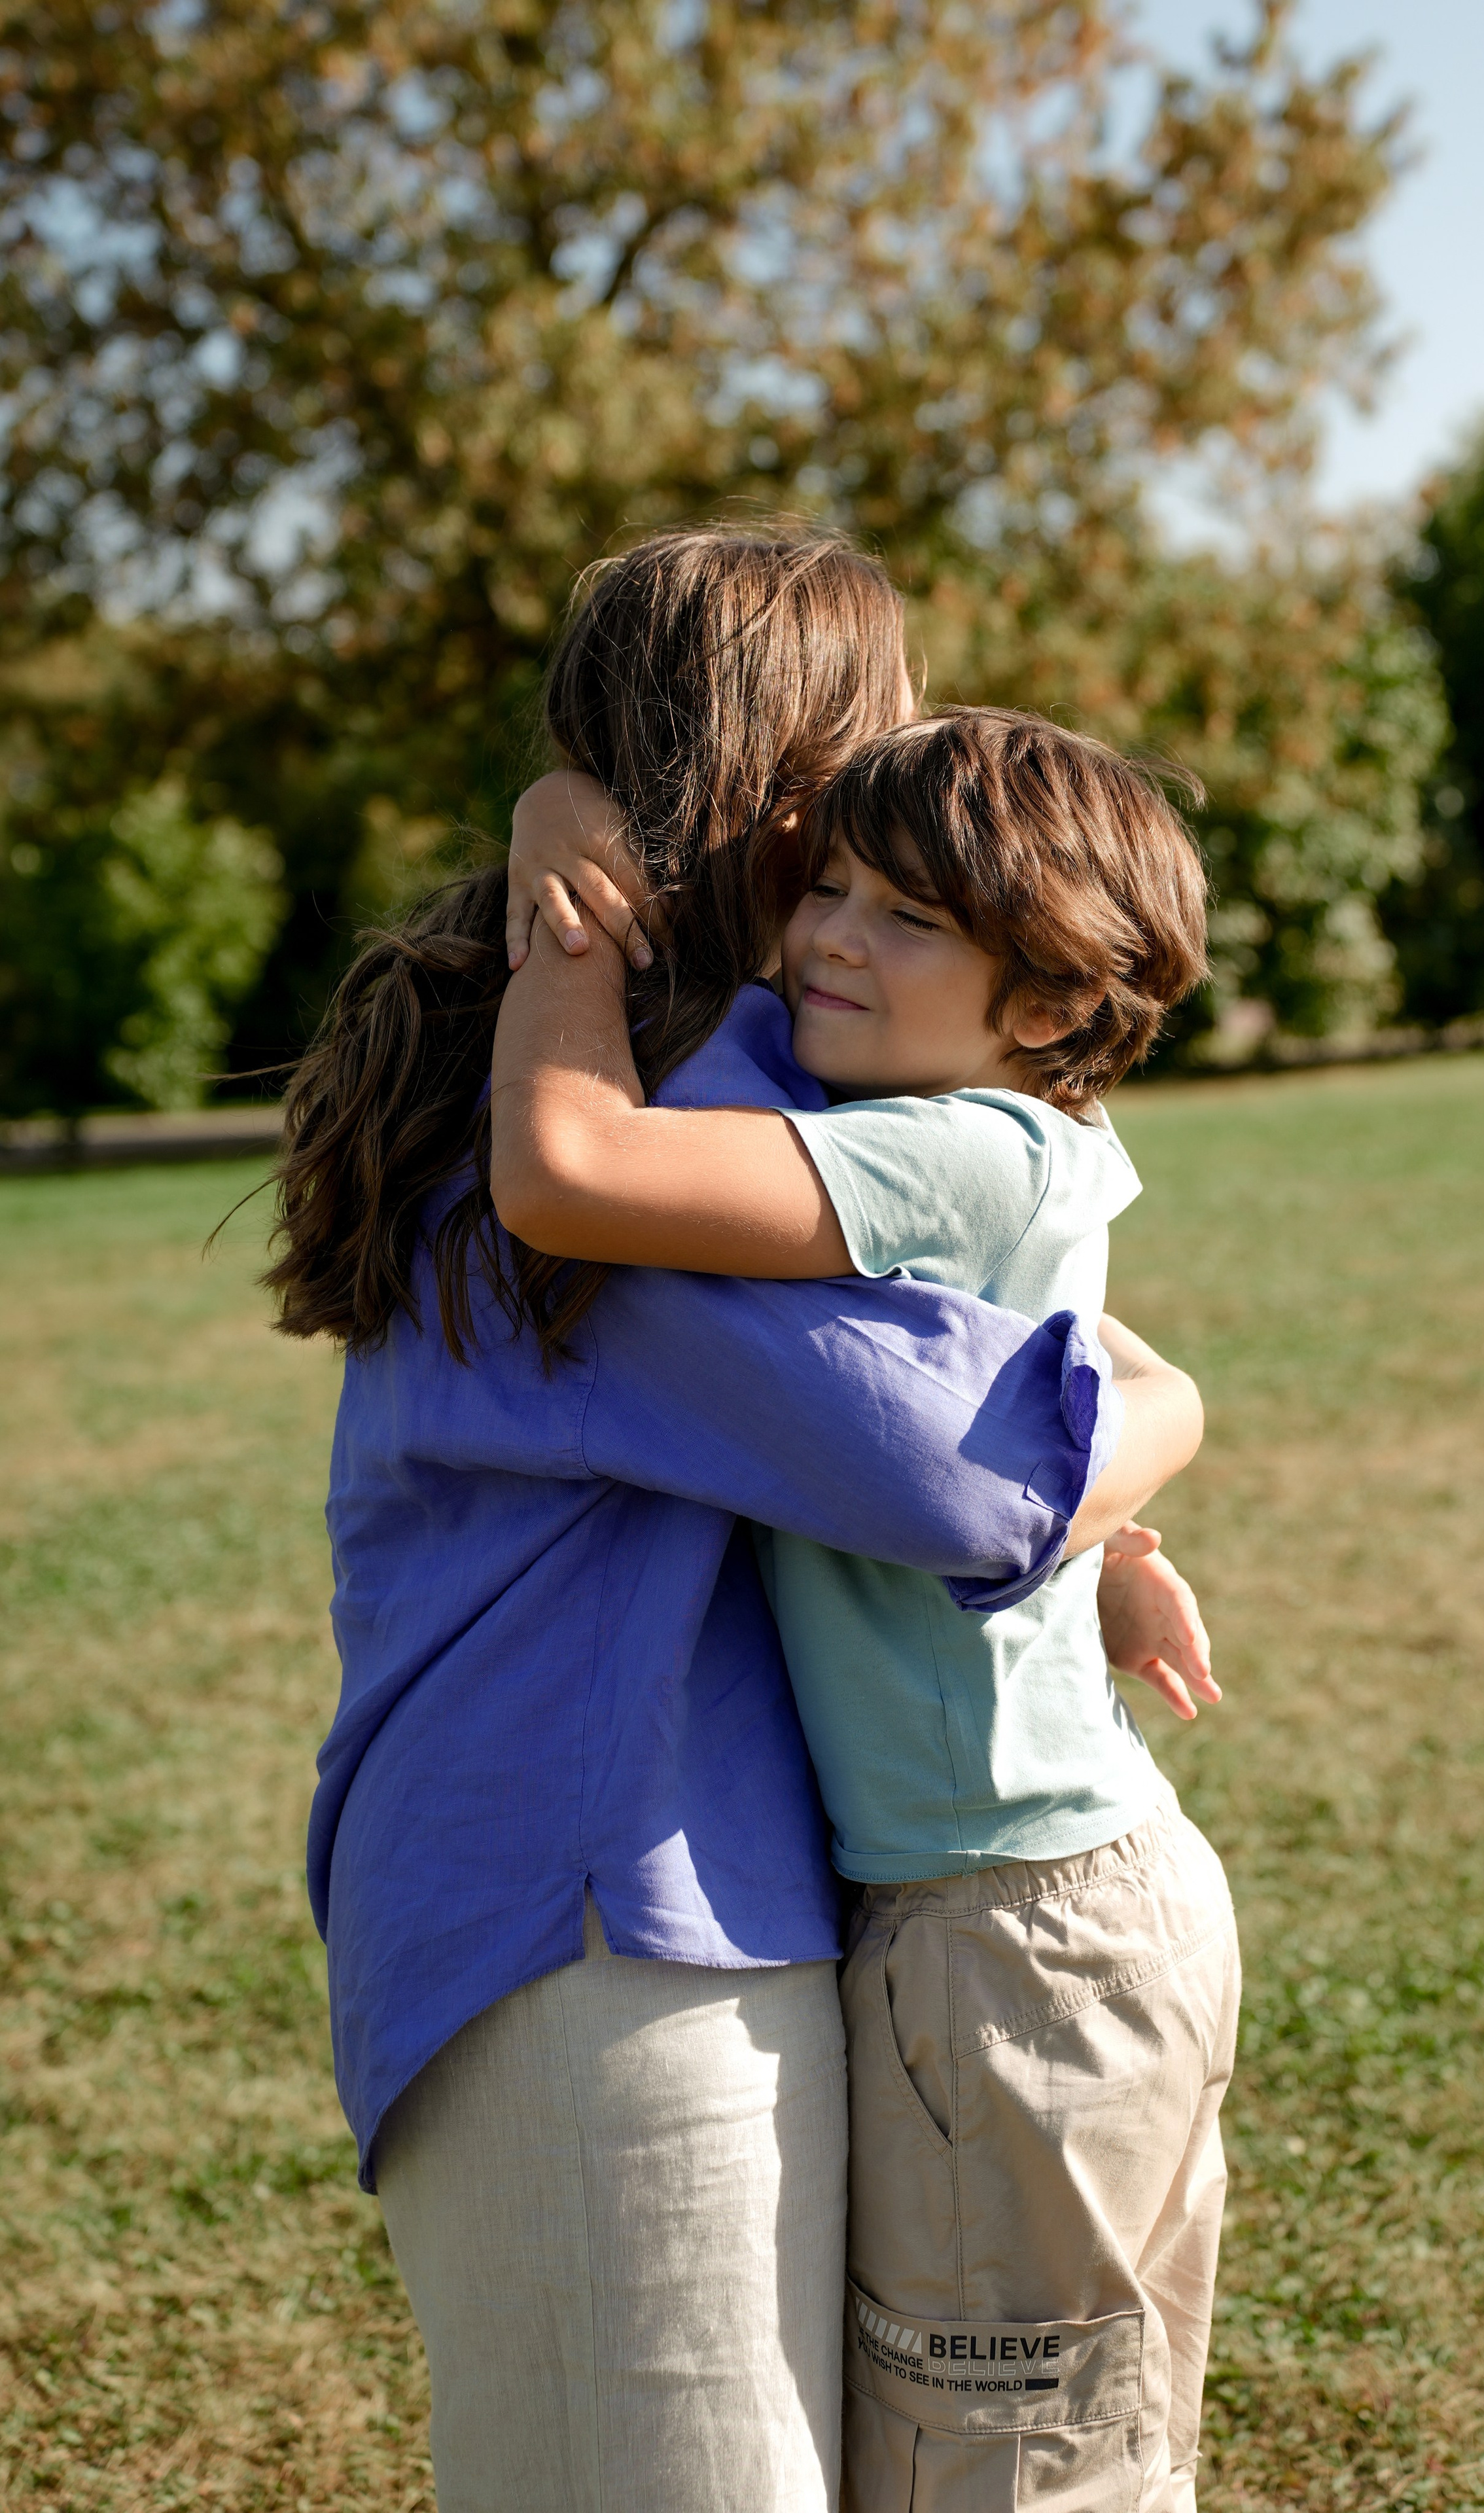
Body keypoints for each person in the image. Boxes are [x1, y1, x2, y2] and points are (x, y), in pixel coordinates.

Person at [268, 528, 1205, 2513]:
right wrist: (1168, 1413)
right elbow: (968, 1476)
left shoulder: (666, 1056)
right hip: (599, 1917)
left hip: (675, 1893)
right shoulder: (617, 1114)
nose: (906, 800)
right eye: (871, 758)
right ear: (786, 786)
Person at [492, 707, 1237, 2513]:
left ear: (1053, 1002)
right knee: (1050, 2427)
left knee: (1009, 2462)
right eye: (826, 882)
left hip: (1014, 1933)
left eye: (908, 918)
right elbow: (1045, 1373)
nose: (826, 935)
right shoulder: (960, 1134)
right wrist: (1120, 1543)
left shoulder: (958, 1148)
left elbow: (567, 1175)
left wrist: (559, 899)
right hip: (1018, 1911)